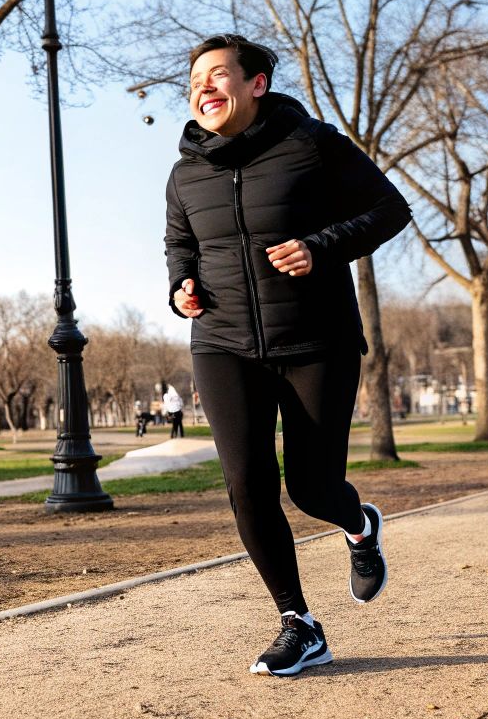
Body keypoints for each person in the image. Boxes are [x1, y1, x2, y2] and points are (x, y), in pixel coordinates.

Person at [166, 34, 411, 678]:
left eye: (218, 76)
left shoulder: (313, 145)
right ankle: (297, 622)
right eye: (195, 81)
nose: (204, 89)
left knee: (311, 486)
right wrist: (180, 288)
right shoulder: (187, 169)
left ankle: (358, 525)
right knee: (247, 483)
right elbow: (179, 245)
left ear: (257, 84)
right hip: (223, 343)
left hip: (316, 339)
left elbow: (391, 209)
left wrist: (321, 247)